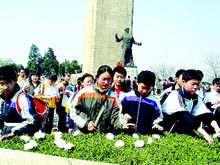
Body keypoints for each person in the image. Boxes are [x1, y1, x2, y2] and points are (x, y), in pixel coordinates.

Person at [69, 65, 135, 133]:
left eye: (109, 79)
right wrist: (86, 123)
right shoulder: (84, 92)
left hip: (103, 137)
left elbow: (115, 117)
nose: (106, 82)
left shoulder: (113, 97)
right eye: (104, 79)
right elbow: (73, 110)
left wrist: (122, 124)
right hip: (83, 134)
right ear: (97, 77)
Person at [162, 69, 220, 144]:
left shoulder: (195, 97)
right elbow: (185, 116)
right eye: (193, 84)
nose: (196, 87)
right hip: (169, 127)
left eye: (197, 84)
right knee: (185, 117)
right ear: (184, 82)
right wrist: (205, 135)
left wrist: (217, 127)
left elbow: (205, 113)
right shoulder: (175, 95)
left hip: (184, 126)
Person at [0, 66, 40, 141]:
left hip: (18, 138)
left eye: (8, 83)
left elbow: (31, 120)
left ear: (15, 80)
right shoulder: (3, 99)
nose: (5, 87)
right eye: (2, 84)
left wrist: (14, 133)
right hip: (4, 136)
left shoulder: (22, 98)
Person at [121, 70, 163, 135]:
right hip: (127, 134)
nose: (144, 91)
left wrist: (156, 124)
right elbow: (118, 112)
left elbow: (159, 116)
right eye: (143, 87)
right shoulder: (127, 97)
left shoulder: (154, 101)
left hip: (146, 135)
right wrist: (123, 117)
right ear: (137, 82)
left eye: (148, 88)